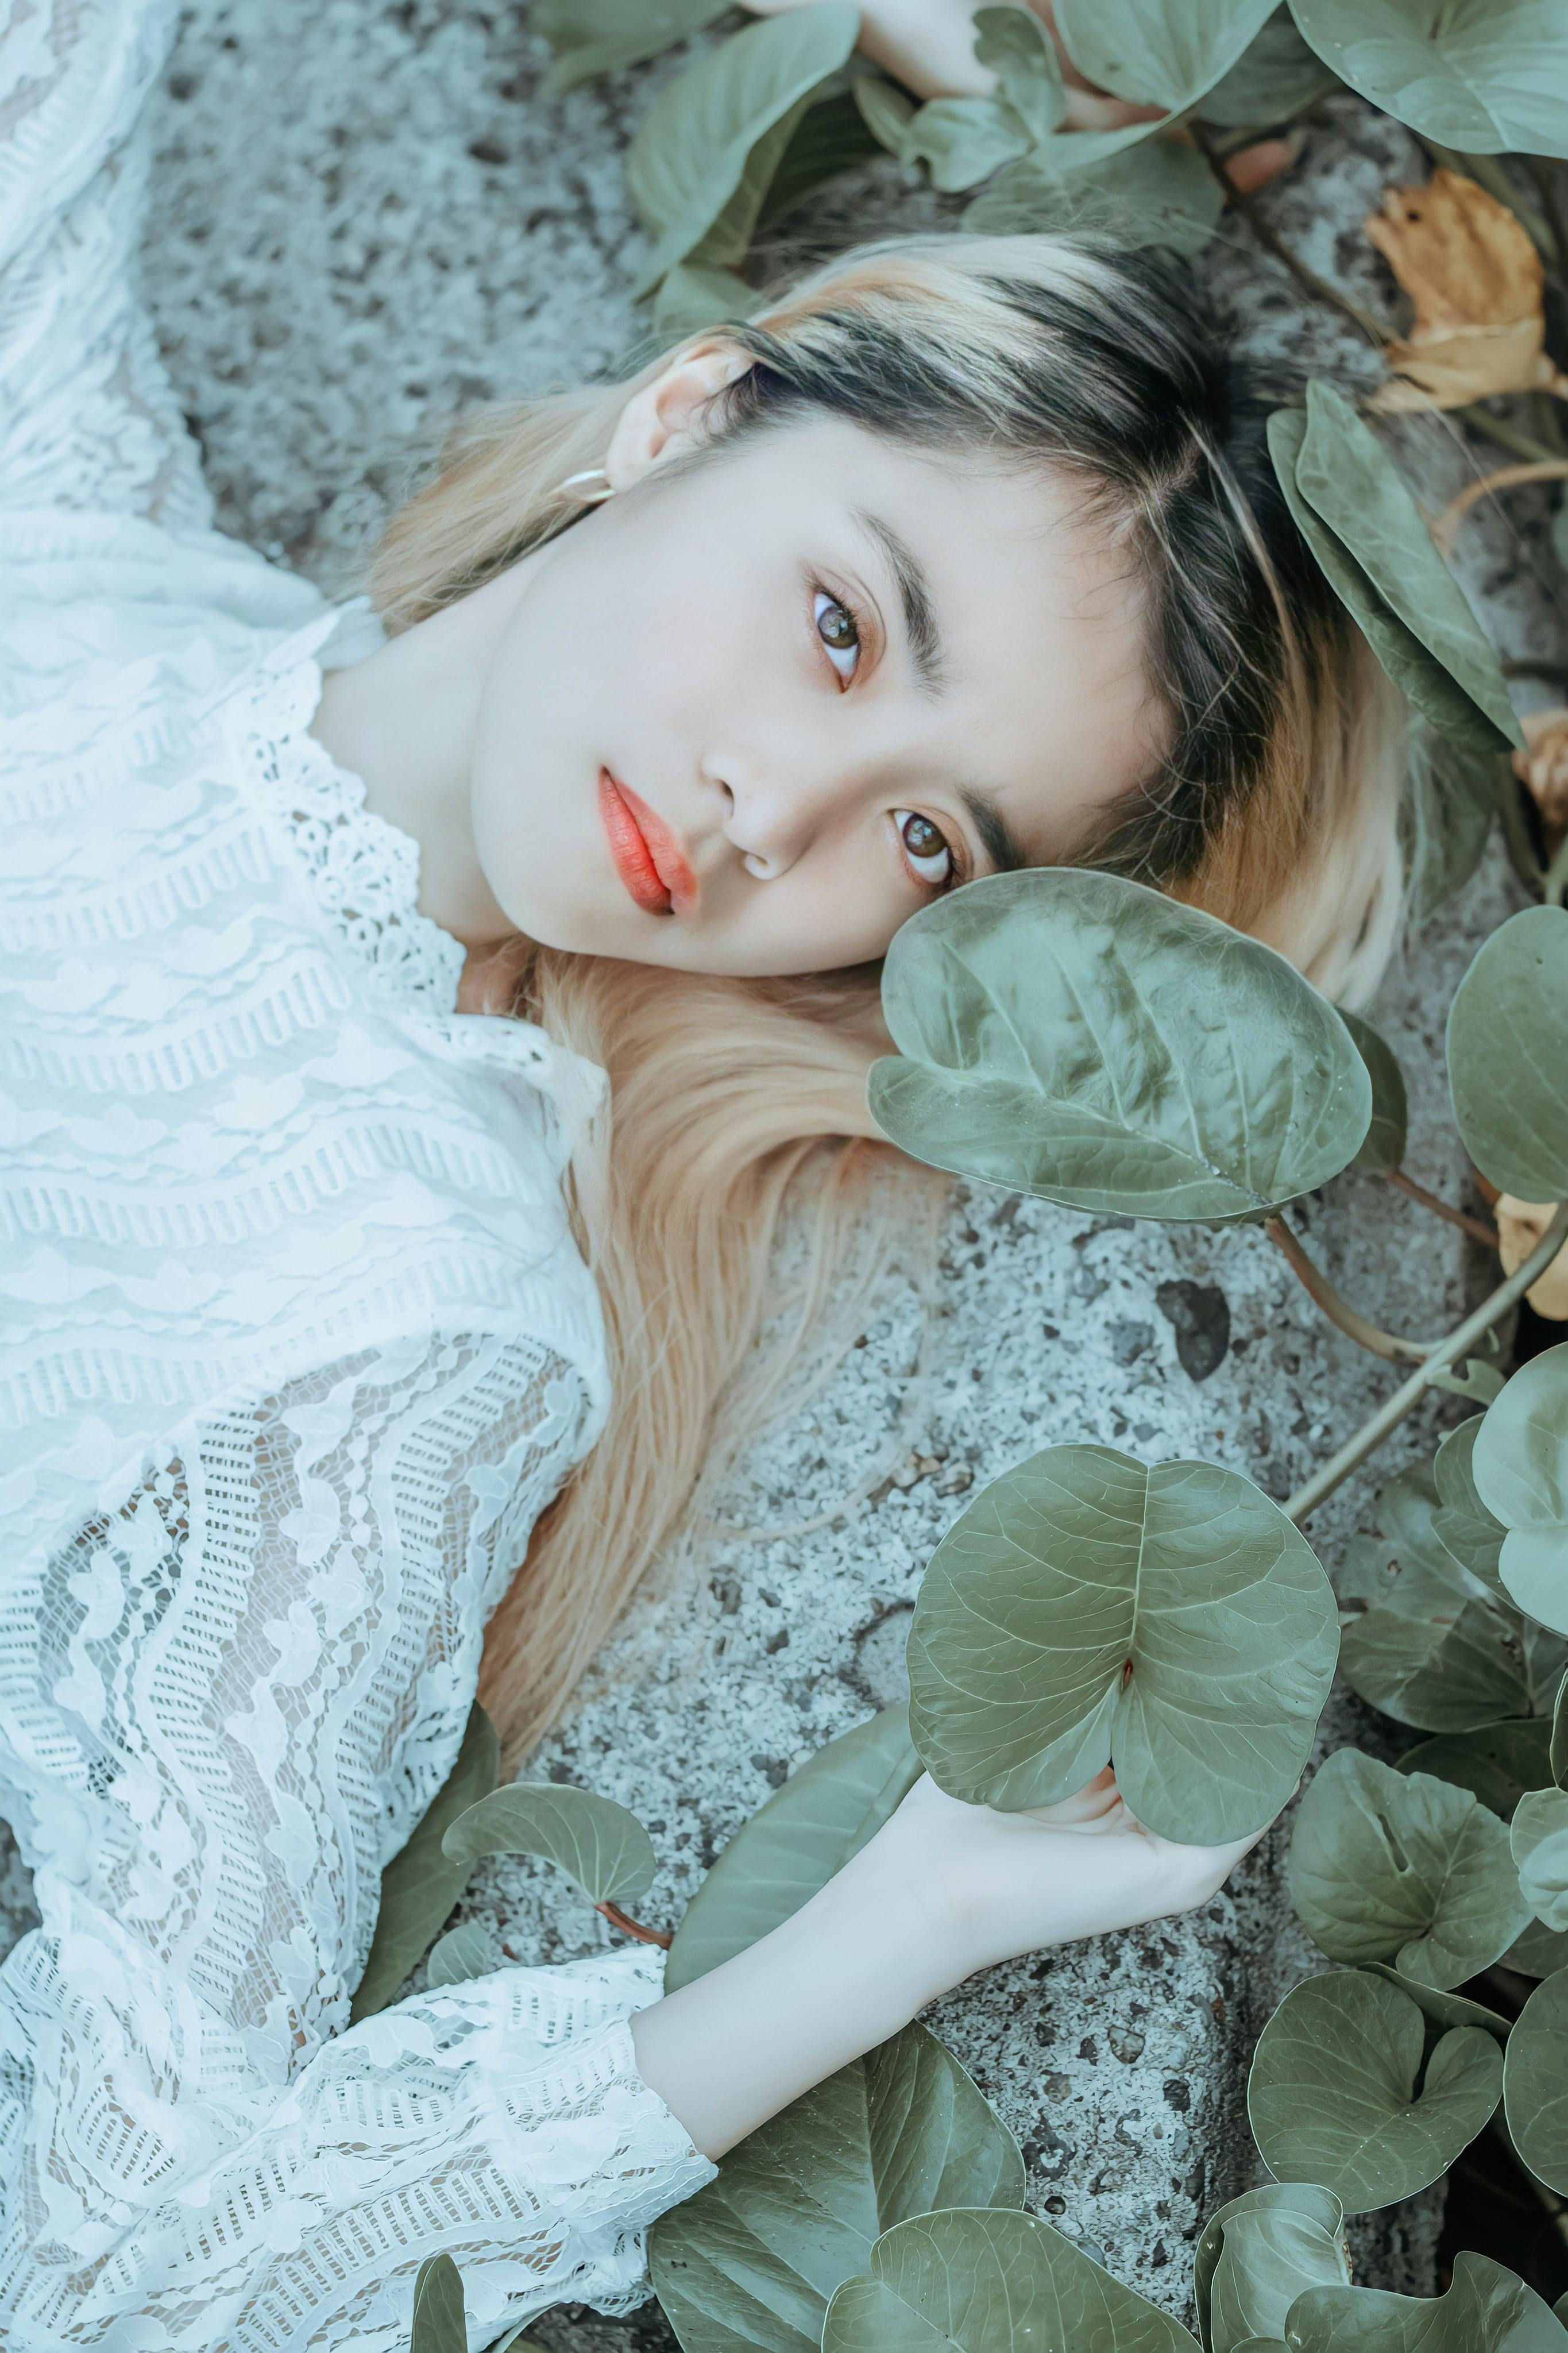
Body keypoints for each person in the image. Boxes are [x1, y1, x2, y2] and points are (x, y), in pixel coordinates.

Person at [0, 0, 1405, 2344]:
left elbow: (123, 2252)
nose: (781, 811)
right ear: (686, 414)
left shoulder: (399, 1312)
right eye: (838, 627)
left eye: (927, 839)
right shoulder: (74, 532)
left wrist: (903, 1916)